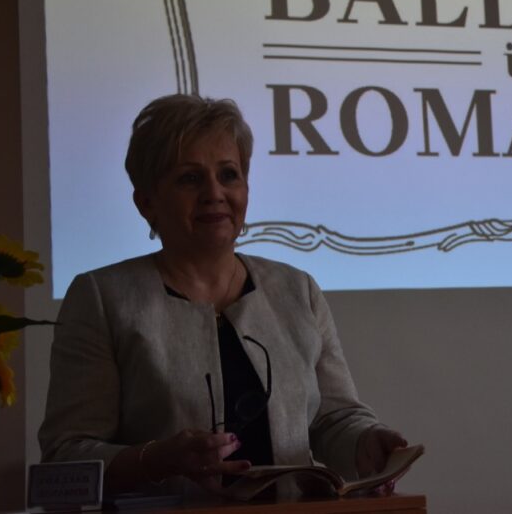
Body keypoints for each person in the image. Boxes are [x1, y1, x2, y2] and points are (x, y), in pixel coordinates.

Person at [39, 94, 406, 497]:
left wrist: (367, 441)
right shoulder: (102, 299)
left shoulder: (297, 290)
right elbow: (65, 459)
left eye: (229, 175)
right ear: (146, 202)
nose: (214, 193)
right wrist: (156, 460)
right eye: (189, 178)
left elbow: (333, 419)